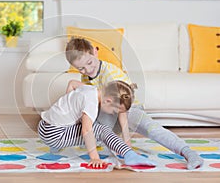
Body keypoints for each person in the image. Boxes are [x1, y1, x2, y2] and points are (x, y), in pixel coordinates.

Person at [65, 37, 203, 170]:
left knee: (152, 129)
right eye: (81, 68)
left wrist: (127, 142)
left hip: (127, 109)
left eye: (89, 63)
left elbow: (122, 111)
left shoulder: (111, 75)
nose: (87, 70)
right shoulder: (86, 75)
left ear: (95, 52)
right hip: (108, 111)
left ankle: (189, 153)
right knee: (89, 125)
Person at [38, 80, 157, 168]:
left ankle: (56, 146)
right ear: (108, 101)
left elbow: (72, 83)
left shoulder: (90, 89)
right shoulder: (91, 103)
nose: (113, 115)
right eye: (115, 111)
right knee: (101, 129)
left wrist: (68, 101)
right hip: (54, 135)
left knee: (89, 122)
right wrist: (95, 157)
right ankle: (128, 154)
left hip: (43, 126)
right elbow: (86, 131)